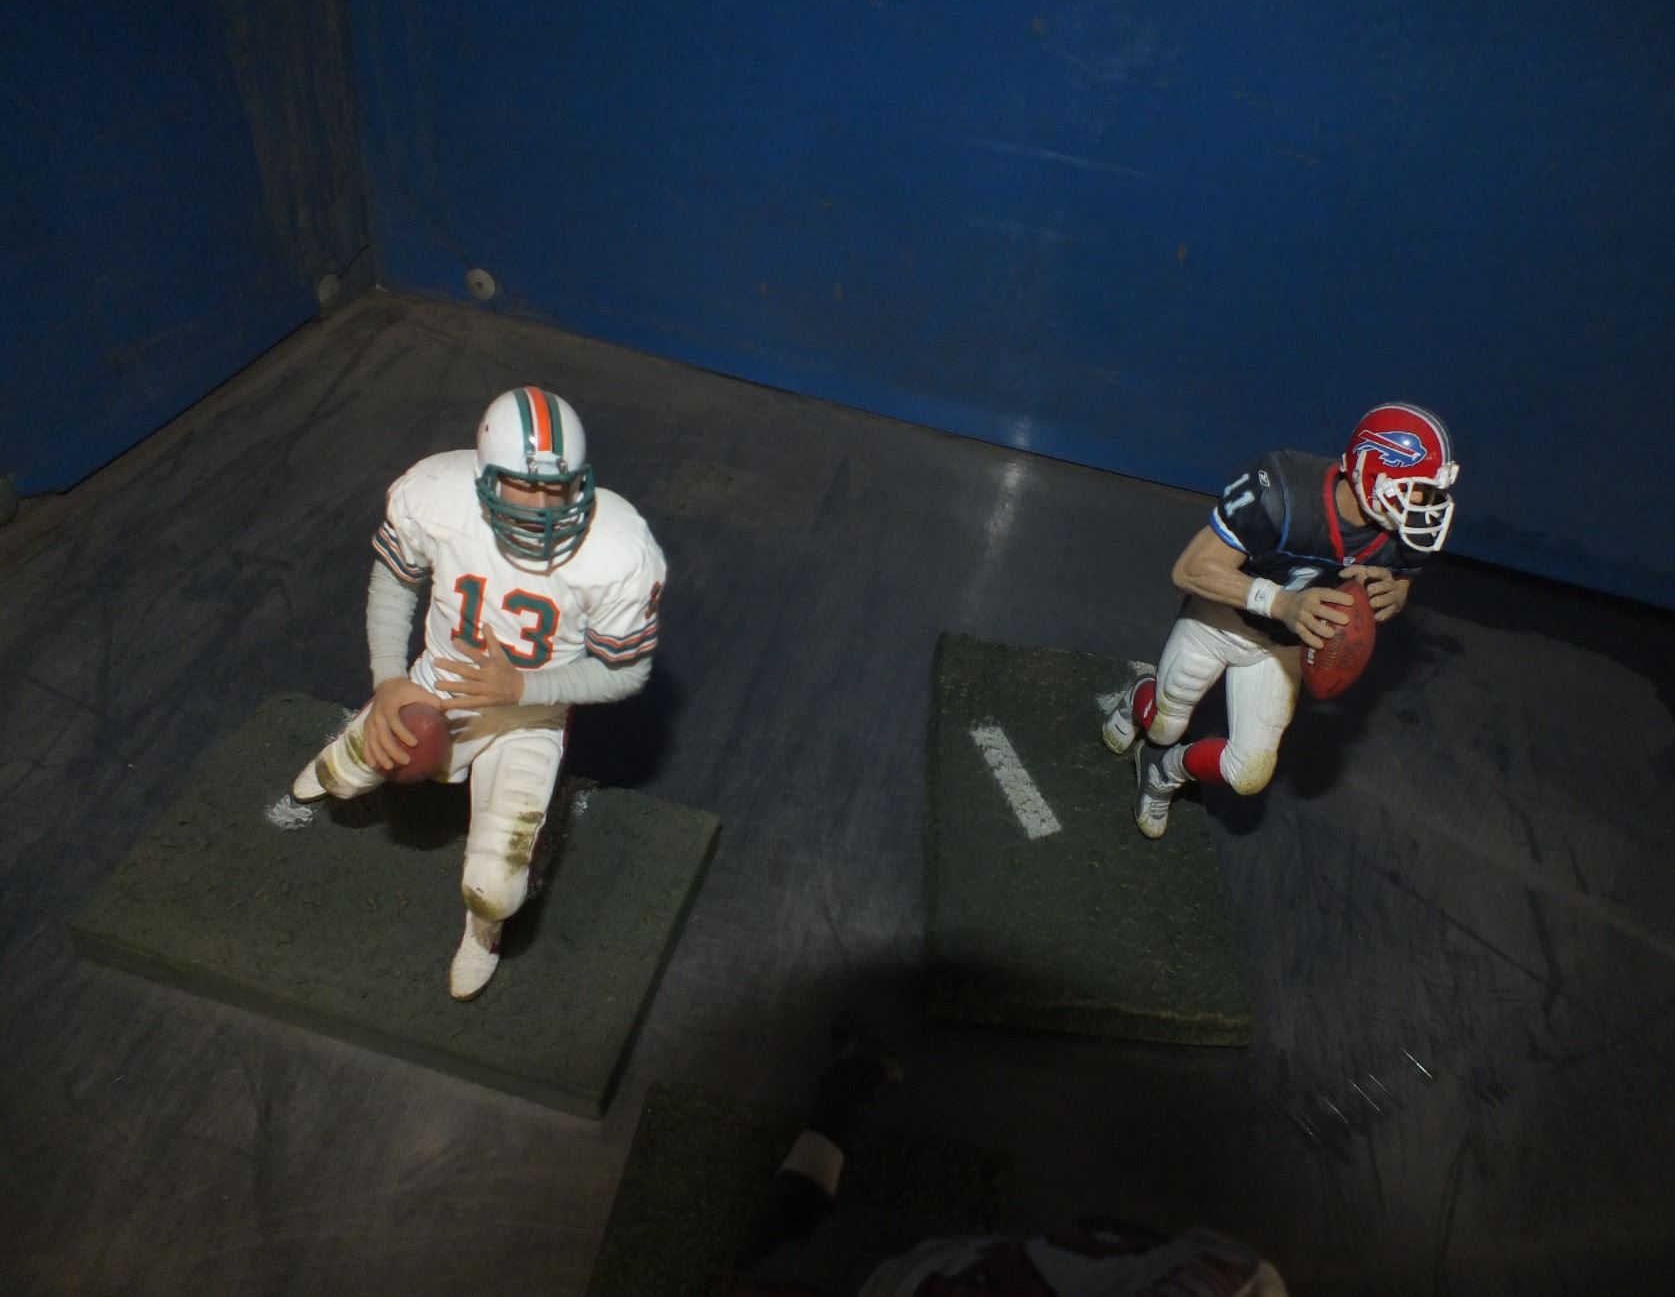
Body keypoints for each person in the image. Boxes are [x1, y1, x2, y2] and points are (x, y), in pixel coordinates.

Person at [290, 386, 666, 999]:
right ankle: (344, 756)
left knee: (497, 883)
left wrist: (523, 685)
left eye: (558, 487)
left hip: (530, 717)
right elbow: (396, 579)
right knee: (348, 775)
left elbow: (626, 673)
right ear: (484, 476)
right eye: (523, 485)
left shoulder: (618, 548)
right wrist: (389, 680)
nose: (544, 506)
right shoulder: (437, 495)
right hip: (439, 682)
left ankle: (483, 934)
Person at [1102, 403, 1459, 839]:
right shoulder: (1283, 490)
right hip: (1220, 620)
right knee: (1165, 723)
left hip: (1284, 648)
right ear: (1371, 471)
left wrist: (1395, 593)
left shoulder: (1405, 532)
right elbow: (1189, 570)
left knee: (1248, 771)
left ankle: (1164, 770)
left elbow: (1404, 576)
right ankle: (1139, 696)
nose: (1424, 505)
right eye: (1415, 490)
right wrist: (1283, 603)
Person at [727, 1022, 1286, 1297]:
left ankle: (842, 1095)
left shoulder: (1239, 1274)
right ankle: (842, 1095)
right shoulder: (1237, 1276)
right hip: (942, 1262)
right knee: (820, 1250)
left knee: (795, 1254)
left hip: (924, 1268)